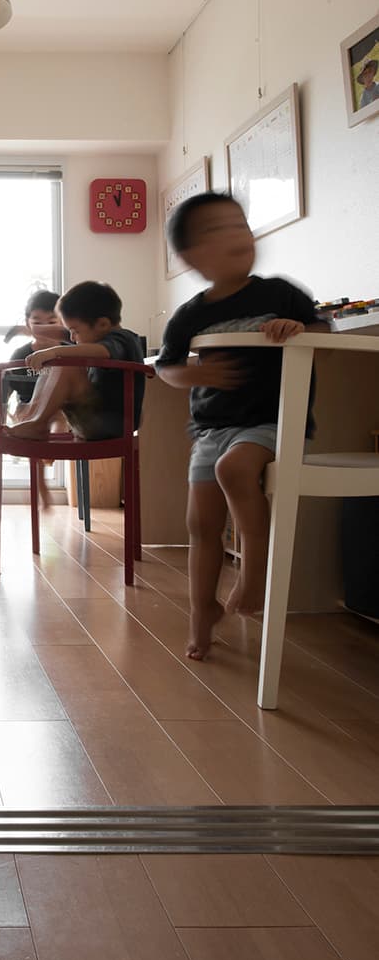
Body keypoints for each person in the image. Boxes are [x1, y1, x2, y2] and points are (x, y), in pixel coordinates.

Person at [155, 192, 329, 661]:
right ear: (190, 257)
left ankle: (253, 577)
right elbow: (166, 368)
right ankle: (201, 614)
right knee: (200, 524)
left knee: (236, 470)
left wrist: (295, 328)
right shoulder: (191, 314)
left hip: (270, 421)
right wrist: (194, 374)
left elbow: (323, 330)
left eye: (240, 224)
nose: (237, 234)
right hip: (211, 429)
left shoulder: (278, 293)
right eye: (217, 229)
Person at [12, 281, 146, 441]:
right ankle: (34, 417)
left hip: (112, 424)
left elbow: (102, 351)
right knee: (57, 366)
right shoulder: (97, 333)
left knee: (67, 365)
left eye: (75, 331)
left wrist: (53, 352)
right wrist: (34, 329)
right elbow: (64, 334)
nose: (72, 338)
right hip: (97, 420)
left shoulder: (122, 339)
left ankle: (38, 423)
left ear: (103, 324)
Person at [2, 289, 69, 408]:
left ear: (63, 323)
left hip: (65, 413)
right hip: (29, 412)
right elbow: (6, 391)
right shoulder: (20, 354)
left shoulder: (72, 352)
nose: (44, 330)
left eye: (52, 322)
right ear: (28, 324)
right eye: (37, 324)